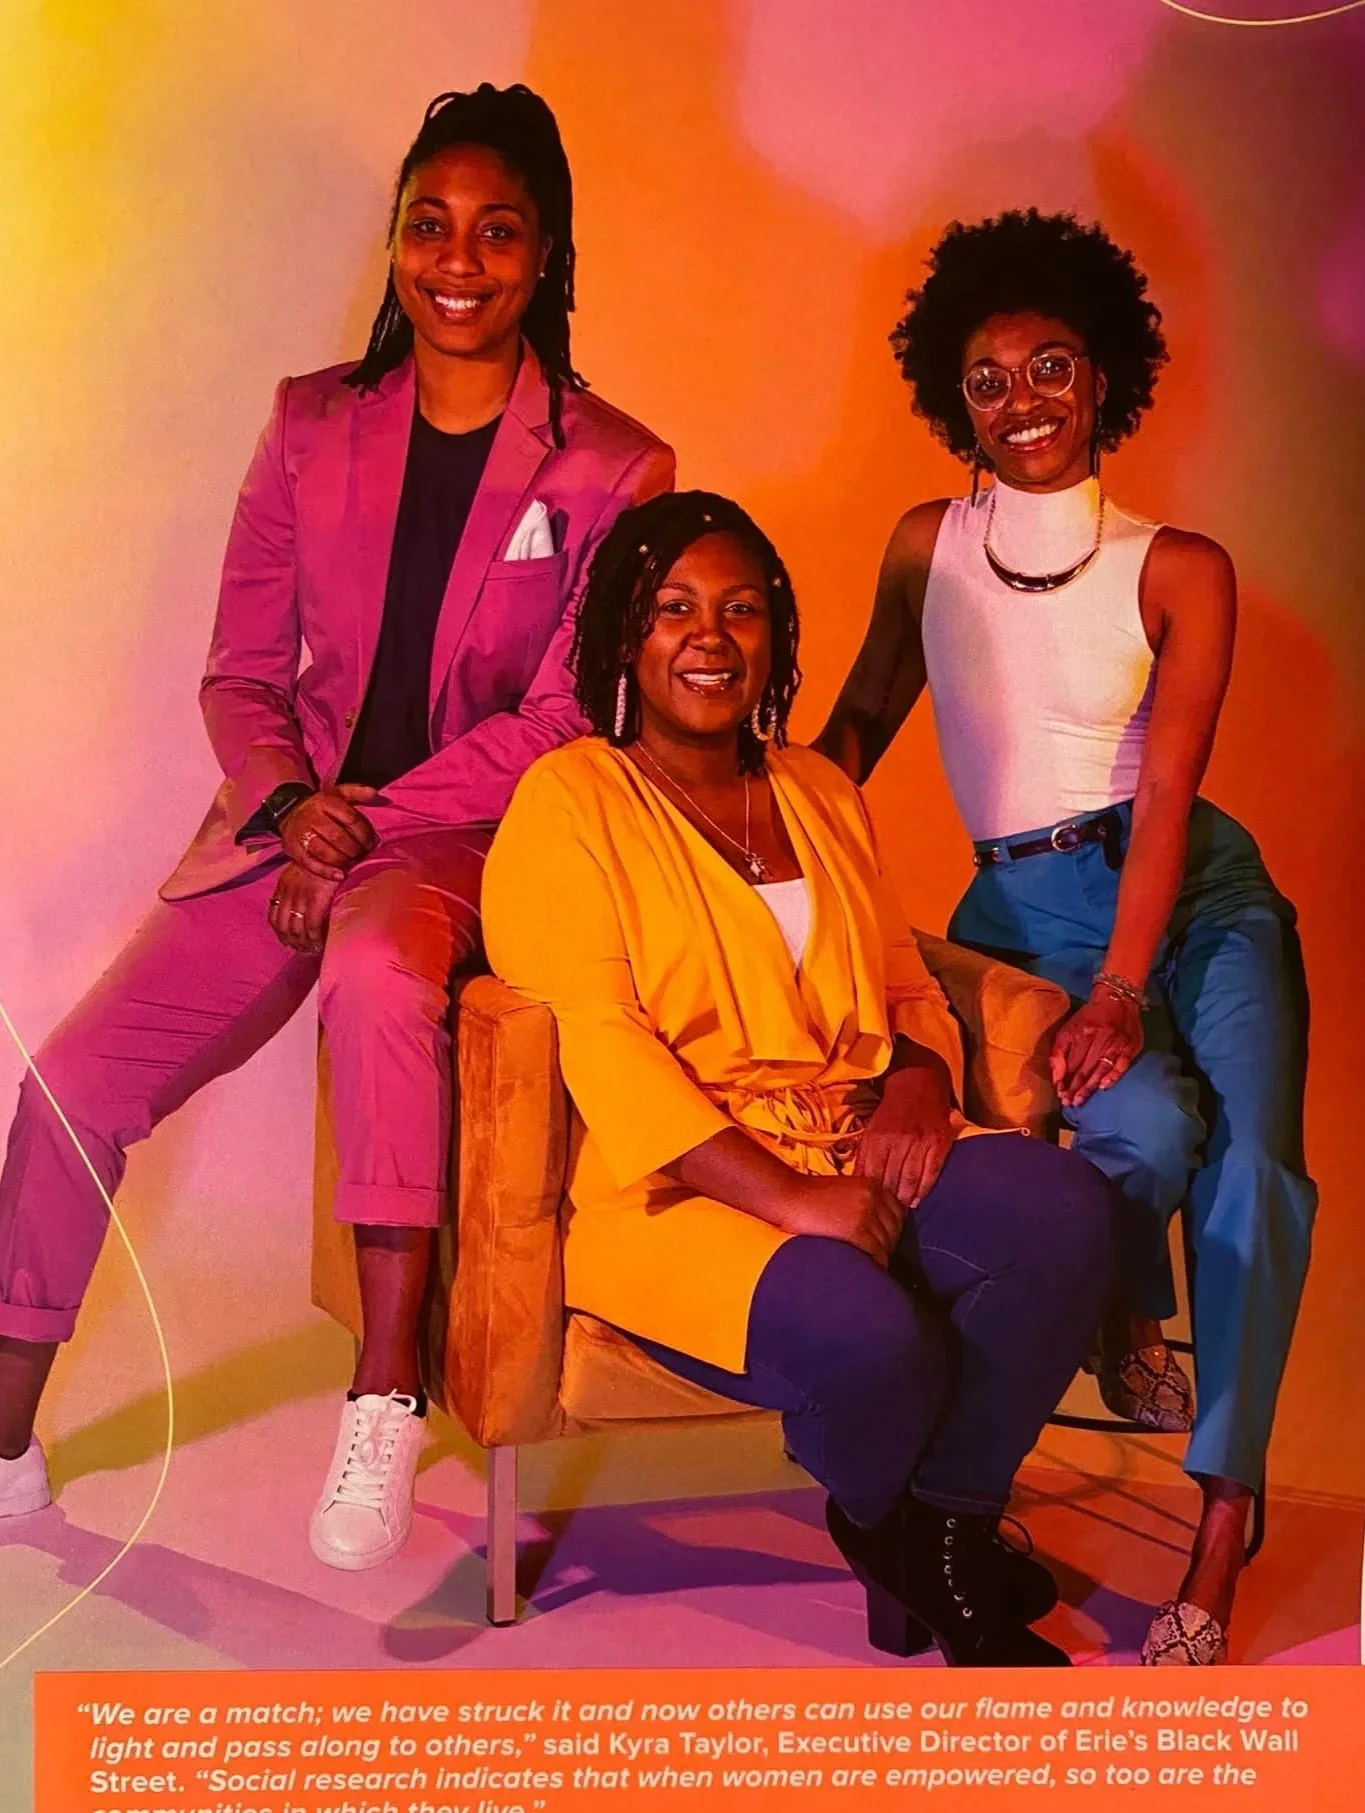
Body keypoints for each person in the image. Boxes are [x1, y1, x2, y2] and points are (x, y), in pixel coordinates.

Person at [0, 84, 673, 1570]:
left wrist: (358, 829)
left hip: (457, 840)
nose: (457, 260)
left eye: (497, 231)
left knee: (374, 974)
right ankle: (2, 1440)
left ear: (546, 254)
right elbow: (240, 673)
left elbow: (564, 720)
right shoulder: (309, 423)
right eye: (429, 225)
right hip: (284, 824)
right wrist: (295, 809)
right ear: (394, 243)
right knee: (69, 1086)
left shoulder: (615, 467)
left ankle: (384, 1388)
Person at [483, 490, 1114, 1668]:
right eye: (674, 609)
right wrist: (791, 1198)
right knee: (873, 1339)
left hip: (852, 1127)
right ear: (624, 635)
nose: (710, 637)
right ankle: (891, 1524)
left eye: (741, 609)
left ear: (775, 637)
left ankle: (938, 1531)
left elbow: (901, 983)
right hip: (680, 1190)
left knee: (1065, 1211)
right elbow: (605, 1047)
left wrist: (918, 1083)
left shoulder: (820, 791)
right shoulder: (570, 802)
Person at [817, 209, 1316, 1665]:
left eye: (1050, 367)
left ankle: (1221, 1523)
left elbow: (1163, 795)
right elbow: (850, 736)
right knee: (1139, 1138)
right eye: (988, 379)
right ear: (952, 398)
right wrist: (717, 837)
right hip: (1016, 910)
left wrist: (1119, 986)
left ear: (1102, 378)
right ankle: (1118, 1319)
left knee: (1253, 1166)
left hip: (1191, 895)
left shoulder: (1179, 567)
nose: (1022, 400)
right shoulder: (928, 547)